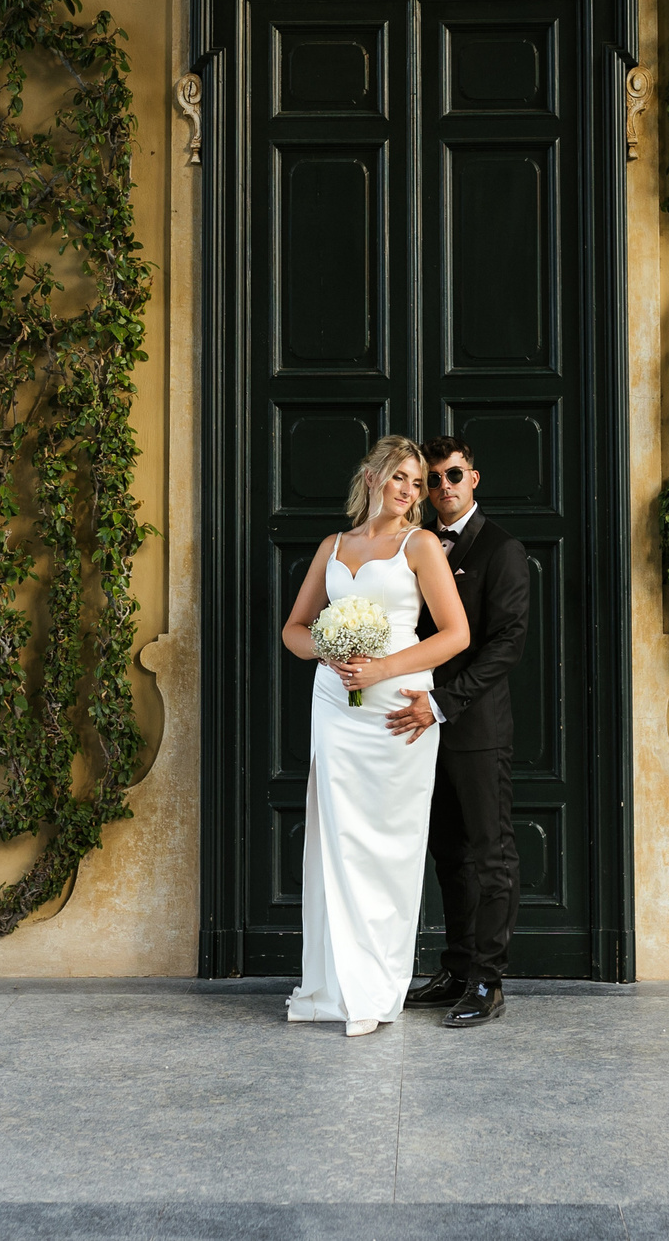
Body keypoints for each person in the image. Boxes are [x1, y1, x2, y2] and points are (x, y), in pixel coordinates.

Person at [280, 434, 471, 1036]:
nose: (412, 492)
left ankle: (376, 991)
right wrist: (329, 651)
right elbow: (294, 629)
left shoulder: (421, 546)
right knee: (338, 842)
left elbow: (455, 633)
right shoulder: (332, 546)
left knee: (387, 847)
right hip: (335, 706)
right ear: (372, 477)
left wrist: (384, 667)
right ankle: (337, 987)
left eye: (418, 484)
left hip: (396, 710)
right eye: (402, 479)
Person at [394, 435, 529, 1028]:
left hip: (472, 723)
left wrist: (444, 703)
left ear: (474, 478)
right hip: (415, 723)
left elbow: (506, 645)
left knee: (490, 853)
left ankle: (486, 981)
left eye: (453, 476)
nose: (443, 488)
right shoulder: (413, 546)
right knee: (446, 850)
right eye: (433, 480)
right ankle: (453, 966)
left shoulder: (502, 549)